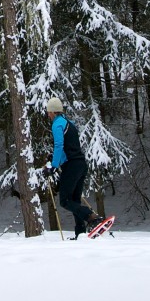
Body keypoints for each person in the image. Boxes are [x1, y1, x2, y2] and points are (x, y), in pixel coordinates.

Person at [43, 97, 98, 238]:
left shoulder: (57, 125)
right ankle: (80, 234)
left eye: (49, 112)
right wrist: (54, 156)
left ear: (54, 112)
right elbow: (69, 146)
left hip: (72, 166)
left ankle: (91, 217)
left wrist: (53, 166)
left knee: (65, 201)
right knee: (75, 200)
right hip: (80, 164)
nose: (48, 115)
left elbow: (59, 145)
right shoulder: (69, 123)